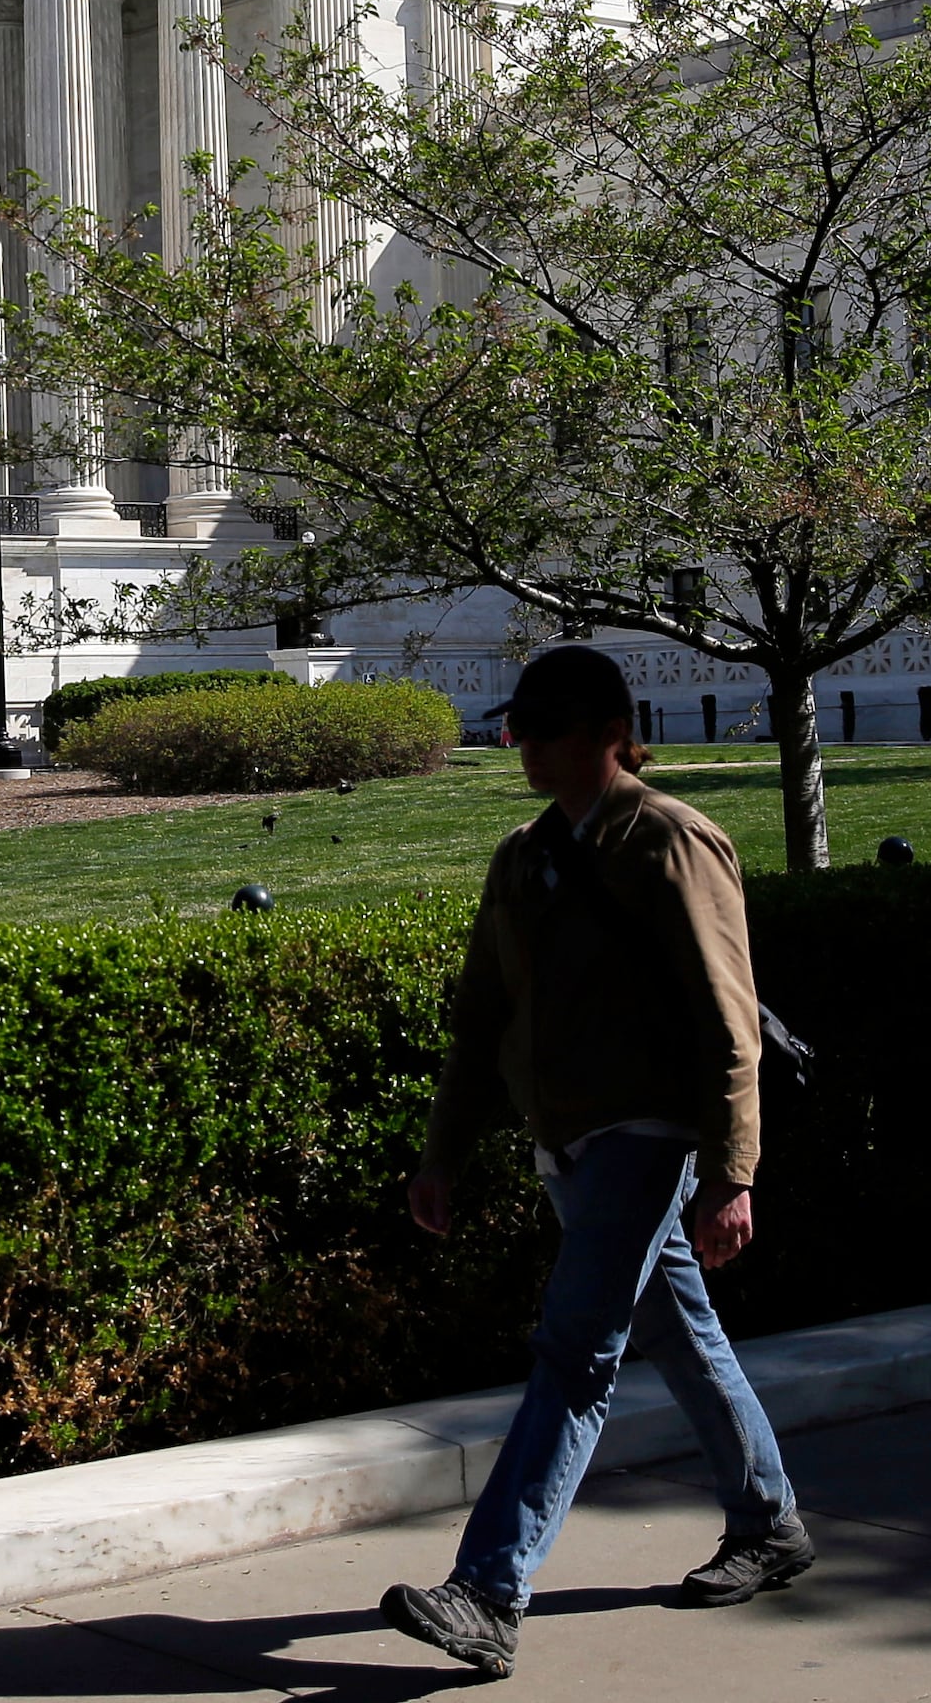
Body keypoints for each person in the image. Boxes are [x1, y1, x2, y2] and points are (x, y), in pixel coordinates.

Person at [379, 643, 805, 1681]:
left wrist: (732, 1171)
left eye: (548, 726)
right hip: (563, 1139)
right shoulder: (523, 855)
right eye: (521, 724)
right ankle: (769, 1521)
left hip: (643, 1134)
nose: (524, 742)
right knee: (679, 1327)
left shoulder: (672, 841)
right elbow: (482, 1018)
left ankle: (487, 1592)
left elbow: (725, 1021)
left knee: (577, 1352)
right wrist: (443, 1155)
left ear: (609, 734)